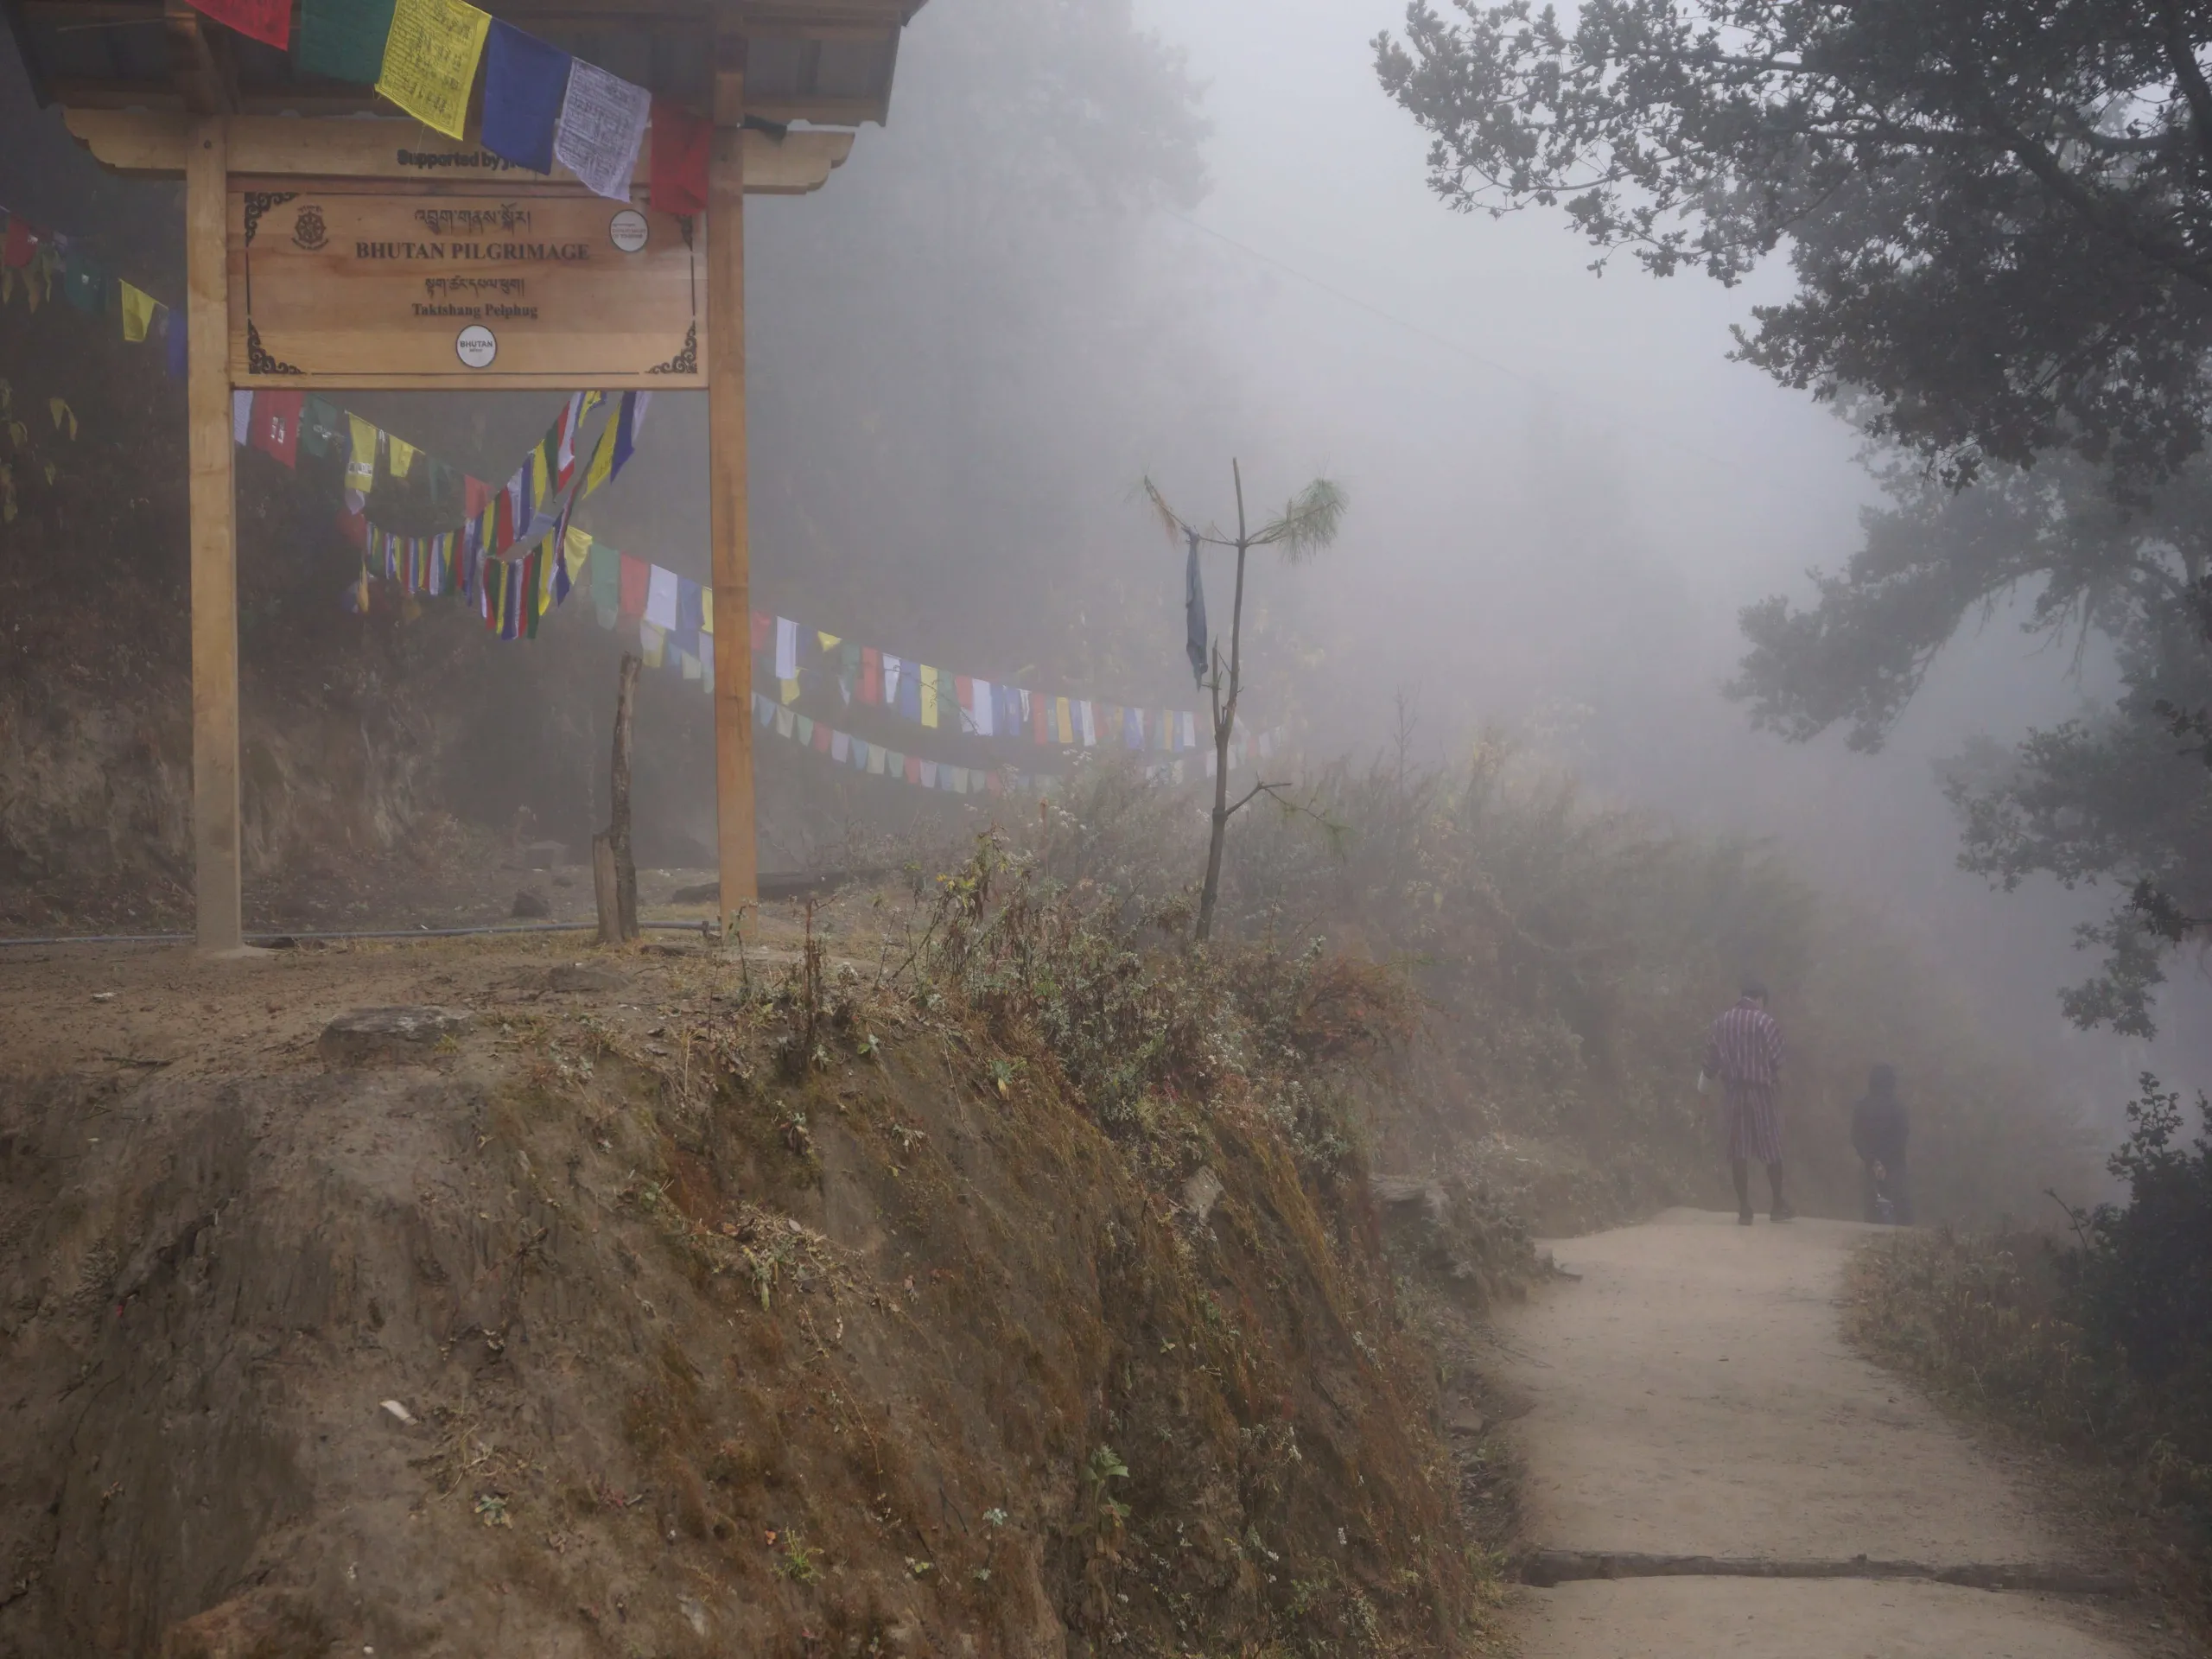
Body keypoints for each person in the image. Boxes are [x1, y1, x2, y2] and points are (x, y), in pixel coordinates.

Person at [1702, 979, 1793, 1225]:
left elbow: (1710, 1061)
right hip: (1762, 1092)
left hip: (1734, 1093)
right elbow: (1778, 1059)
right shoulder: (1766, 1022)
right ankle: (1777, 1205)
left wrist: (1703, 1086)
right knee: (1772, 1148)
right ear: (1761, 998)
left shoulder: (1721, 1023)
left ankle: (1744, 1209)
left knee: (1738, 1151)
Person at [1851, 1064, 1911, 1224]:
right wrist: (1885, 1160)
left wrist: (1872, 1160)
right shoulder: (1898, 1108)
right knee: (1899, 1209)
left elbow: (1856, 1136)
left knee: (1872, 1209)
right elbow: (1902, 1135)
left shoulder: (1862, 1107)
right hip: (1894, 1165)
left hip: (1870, 1165)